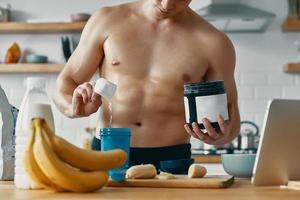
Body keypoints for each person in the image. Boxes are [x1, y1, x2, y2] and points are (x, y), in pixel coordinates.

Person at [53, 0, 240, 169]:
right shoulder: (107, 19)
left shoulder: (214, 43)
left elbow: (232, 123)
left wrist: (221, 136)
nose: (167, 5)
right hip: (107, 150)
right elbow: (65, 83)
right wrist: (73, 107)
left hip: (171, 159)